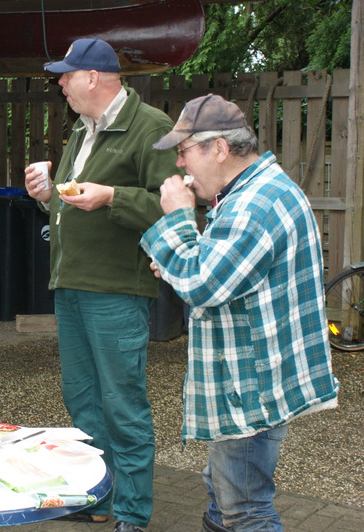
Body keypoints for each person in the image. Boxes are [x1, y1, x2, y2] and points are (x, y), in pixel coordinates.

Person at [140, 94, 339, 532]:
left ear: (218, 148)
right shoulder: (255, 191)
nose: (179, 163)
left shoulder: (253, 204)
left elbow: (202, 285)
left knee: (246, 510)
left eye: (184, 151)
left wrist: (178, 219)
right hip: (256, 378)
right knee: (223, 493)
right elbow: (223, 269)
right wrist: (179, 258)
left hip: (249, 387)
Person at [24, 38, 178, 531]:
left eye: (66, 76)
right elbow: (71, 203)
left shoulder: (150, 127)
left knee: (122, 405)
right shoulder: (81, 129)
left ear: (92, 78)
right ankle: (99, 496)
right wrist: (46, 195)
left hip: (116, 291)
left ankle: (132, 513)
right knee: (83, 400)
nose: (60, 85)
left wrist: (113, 196)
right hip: (71, 284)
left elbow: (175, 206)